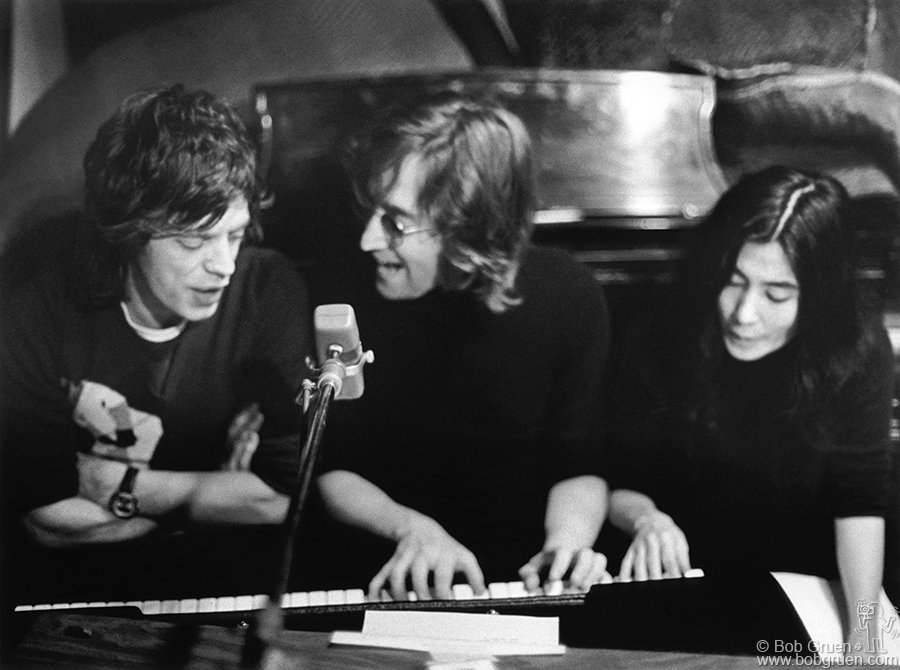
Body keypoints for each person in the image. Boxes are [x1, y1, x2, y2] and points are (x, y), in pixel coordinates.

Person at [0, 84, 312, 604]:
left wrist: (112, 486)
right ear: (129, 231)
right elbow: (46, 520)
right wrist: (208, 496)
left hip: (217, 590)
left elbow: (283, 497)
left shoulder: (268, 289)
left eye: (234, 235)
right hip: (63, 597)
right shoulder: (39, 308)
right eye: (194, 241)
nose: (224, 265)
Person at [309, 92, 611, 601]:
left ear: (470, 228)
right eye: (373, 212)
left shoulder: (569, 294)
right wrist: (411, 529)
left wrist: (567, 547)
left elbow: (576, 463)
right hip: (377, 577)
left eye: (397, 223)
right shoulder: (341, 289)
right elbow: (332, 465)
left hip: (518, 578)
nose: (367, 240)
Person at [605, 166, 894, 653]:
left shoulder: (857, 345)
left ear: (818, 296)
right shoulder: (660, 329)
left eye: (777, 294)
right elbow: (614, 479)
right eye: (733, 282)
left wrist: (864, 633)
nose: (744, 314)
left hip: (805, 582)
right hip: (679, 578)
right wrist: (647, 520)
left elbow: (859, 504)